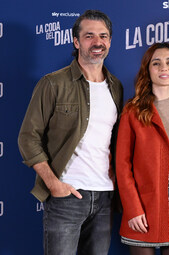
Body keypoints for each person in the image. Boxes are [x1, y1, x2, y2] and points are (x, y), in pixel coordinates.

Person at [18, 10, 123, 255]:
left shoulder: (115, 86)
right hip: (66, 197)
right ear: (76, 42)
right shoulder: (53, 83)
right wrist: (53, 183)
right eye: (89, 36)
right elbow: (28, 136)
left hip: (105, 197)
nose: (97, 42)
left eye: (103, 36)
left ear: (110, 41)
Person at [116, 42, 169, 255]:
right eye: (157, 63)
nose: (164, 68)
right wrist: (133, 209)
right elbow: (122, 166)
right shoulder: (132, 111)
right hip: (144, 204)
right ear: (147, 70)